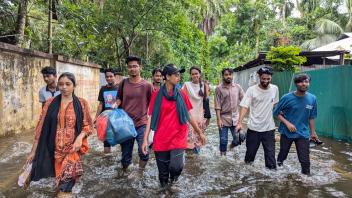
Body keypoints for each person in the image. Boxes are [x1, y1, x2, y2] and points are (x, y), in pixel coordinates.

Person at [26, 72, 93, 197]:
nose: (64, 87)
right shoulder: (49, 103)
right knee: (58, 184)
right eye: (61, 84)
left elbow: (88, 126)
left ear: (74, 85)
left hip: (73, 151)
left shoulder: (82, 103)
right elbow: (40, 128)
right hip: (54, 151)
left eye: (68, 84)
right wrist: (33, 151)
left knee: (65, 189)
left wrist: (80, 138)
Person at [141, 64, 206, 187]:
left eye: (179, 74)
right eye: (176, 75)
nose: (179, 77)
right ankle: (166, 191)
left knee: (177, 167)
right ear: (167, 77)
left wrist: (199, 132)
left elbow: (188, 115)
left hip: (178, 137)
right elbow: (150, 117)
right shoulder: (156, 95)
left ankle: (173, 184)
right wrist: (145, 140)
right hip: (161, 138)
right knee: (163, 176)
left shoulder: (181, 95)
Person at [274, 73, 319, 175]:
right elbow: (276, 113)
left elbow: (311, 117)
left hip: (303, 133)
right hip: (286, 132)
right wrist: (287, 123)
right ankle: (278, 172)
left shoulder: (312, 98)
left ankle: (305, 181)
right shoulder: (286, 97)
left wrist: (312, 133)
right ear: (296, 84)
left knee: (305, 160)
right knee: (283, 155)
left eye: (306, 81)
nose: (304, 84)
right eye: (301, 82)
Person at [237, 66, 279, 169]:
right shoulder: (252, 90)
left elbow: (275, 104)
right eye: (263, 79)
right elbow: (244, 107)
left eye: (268, 79)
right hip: (253, 129)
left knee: (271, 160)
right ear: (259, 77)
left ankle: (270, 182)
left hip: (269, 129)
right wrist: (239, 123)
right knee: (249, 158)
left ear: (271, 78)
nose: (266, 81)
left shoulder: (275, 89)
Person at [116, 56, 153, 170]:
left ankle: (140, 172)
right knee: (125, 157)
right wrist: (112, 109)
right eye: (130, 67)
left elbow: (153, 105)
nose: (132, 69)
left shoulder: (147, 85)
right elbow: (119, 99)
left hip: (141, 123)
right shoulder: (123, 83)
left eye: (135, 66)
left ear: (140, 67)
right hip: (125, 124)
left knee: (144, 153)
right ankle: (126, 175)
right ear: (127, 68)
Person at [214, 68, 244, 156]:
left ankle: (231, 146)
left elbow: (245, 100)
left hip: (235, 118)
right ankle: (223, 157)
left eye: (230, 75)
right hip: (223, 118)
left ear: (232, 75)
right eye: (226, 75)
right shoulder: (218, 89)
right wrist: (218, 119)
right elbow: (217, 106)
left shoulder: (238, 87)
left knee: (239, 138)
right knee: (223, 140)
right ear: (223, 76)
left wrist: (241, 121)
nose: (228, 77)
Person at [182, 66, 210, 154]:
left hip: (200, 117)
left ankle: (195, 161)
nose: (195, 75)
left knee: (198, 141)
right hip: (189, 118)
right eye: (192, 74)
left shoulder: (204, 86)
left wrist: (208, 119)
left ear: (200, 74)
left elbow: (206, 102)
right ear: (190, 75)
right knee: (188, 143)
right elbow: (182, 102)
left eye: (196, 73)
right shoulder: (186, 85)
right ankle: (189, 161)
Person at [94, 68, 119, 153]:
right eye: (107, 77)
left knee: (121, 139)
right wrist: (96, 117)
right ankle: (108, 160)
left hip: (117, 118)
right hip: (105, 119)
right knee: (106, 141)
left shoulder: (119, 88)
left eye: (111, 76)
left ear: (115, 76)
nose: (108, 78)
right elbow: (101, 104)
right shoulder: (103, 89)